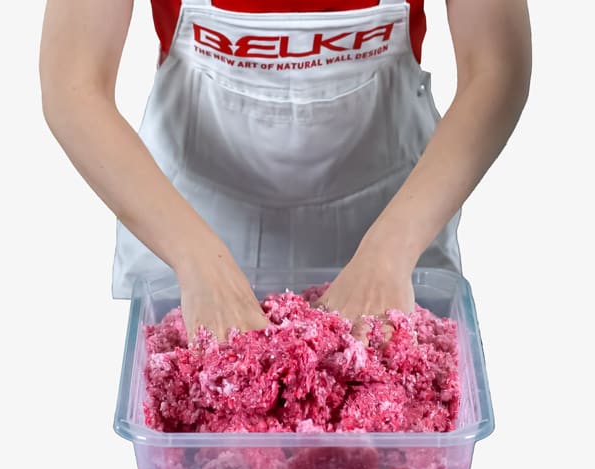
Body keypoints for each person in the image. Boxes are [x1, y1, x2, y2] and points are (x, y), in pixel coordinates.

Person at [40, 0, 531, 341]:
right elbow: (73, 84)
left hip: (394, 211)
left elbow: (496, 68)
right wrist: (194, 260)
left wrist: (392, 249)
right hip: (190, 214)